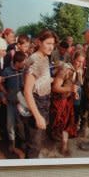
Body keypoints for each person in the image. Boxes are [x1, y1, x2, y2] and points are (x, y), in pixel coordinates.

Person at [22, 30, 57, 159]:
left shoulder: (45, 57)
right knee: (34, 145)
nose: (51, 47)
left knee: (37, 141)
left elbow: (40, 80)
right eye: (48, 43)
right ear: (39, 42)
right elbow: (27, 91)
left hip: (44, 102)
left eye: (53, 44)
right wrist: (37, 116)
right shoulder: (35, 60)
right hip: (36, 104)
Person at [50, 50, 84, 155]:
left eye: (82, 62)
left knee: (68, 122)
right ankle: (52, 139)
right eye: (78, 61)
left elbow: (76, 85)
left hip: (69, 100)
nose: (80, 64)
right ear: (73, 59)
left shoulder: (79, 71)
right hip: (59, 101)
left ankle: (64, 145)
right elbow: (55, 88)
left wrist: (75, 93)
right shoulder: (65, 70)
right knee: (57, 123)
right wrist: (70, 89)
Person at [0, 50, 27, 159]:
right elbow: (0, 85)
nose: (24, 64)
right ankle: (12, 144)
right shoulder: (7, 71)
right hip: (11, 103)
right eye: (23, 62)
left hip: (22, 103)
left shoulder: (24, 71)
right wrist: (3, 95)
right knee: (10, 124)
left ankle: (23, 144)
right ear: (17, 62)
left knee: (21, 124)